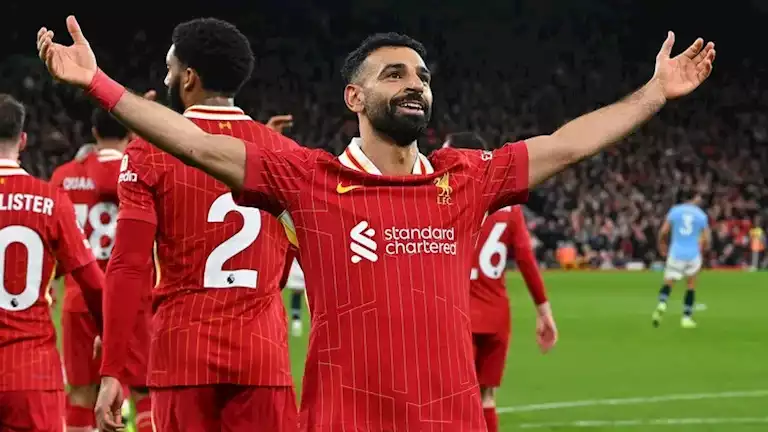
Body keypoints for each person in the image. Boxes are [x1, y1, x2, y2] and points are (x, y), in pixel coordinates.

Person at [37, 17, 715, 430]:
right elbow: (195, 143)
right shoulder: (309, 179)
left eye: (421, 75)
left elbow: (566, 144)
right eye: (394, 75)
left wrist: (655, 93)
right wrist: (99, 84)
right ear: (354, 97)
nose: (414, 83)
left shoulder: (465, 178)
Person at [81, 19, 298, 432]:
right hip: (263, 356)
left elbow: (129, 265)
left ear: (189, 78)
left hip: (183, 353)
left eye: (170, 68)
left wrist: (112, 368)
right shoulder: (287, 153)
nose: (166, 79)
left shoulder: (148, 151)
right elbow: (290, 255)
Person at [0, 93, 106, 431]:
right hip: (31, 372)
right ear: (22, 140)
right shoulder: (51, 199)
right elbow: (93, 282)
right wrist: (108, 332)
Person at [445, 131, 557, 432]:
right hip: (496, 317)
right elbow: (526, 259)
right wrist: (544, 312)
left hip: (457, 316)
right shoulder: (509, 207)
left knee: (454, 399)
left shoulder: (446, 200)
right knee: (486, 397)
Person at [50, 108, 153, 432]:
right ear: (130, 133)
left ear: (94, 132)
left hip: (80, 299)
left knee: (81, 394)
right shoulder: (142, 172)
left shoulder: (64, 176)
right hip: (134, 300)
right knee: (145, 392)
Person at [655, 192, 711, 328]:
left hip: (676, 253)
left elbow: (663, 231)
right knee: (691, 286)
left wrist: (661, 245)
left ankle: (662, 303)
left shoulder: (674, 211)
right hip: (693, 254)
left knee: (669, 282)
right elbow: (707, 239)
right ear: (693, 198)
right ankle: (686, 318)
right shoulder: (701, 215)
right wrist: (704, 251)